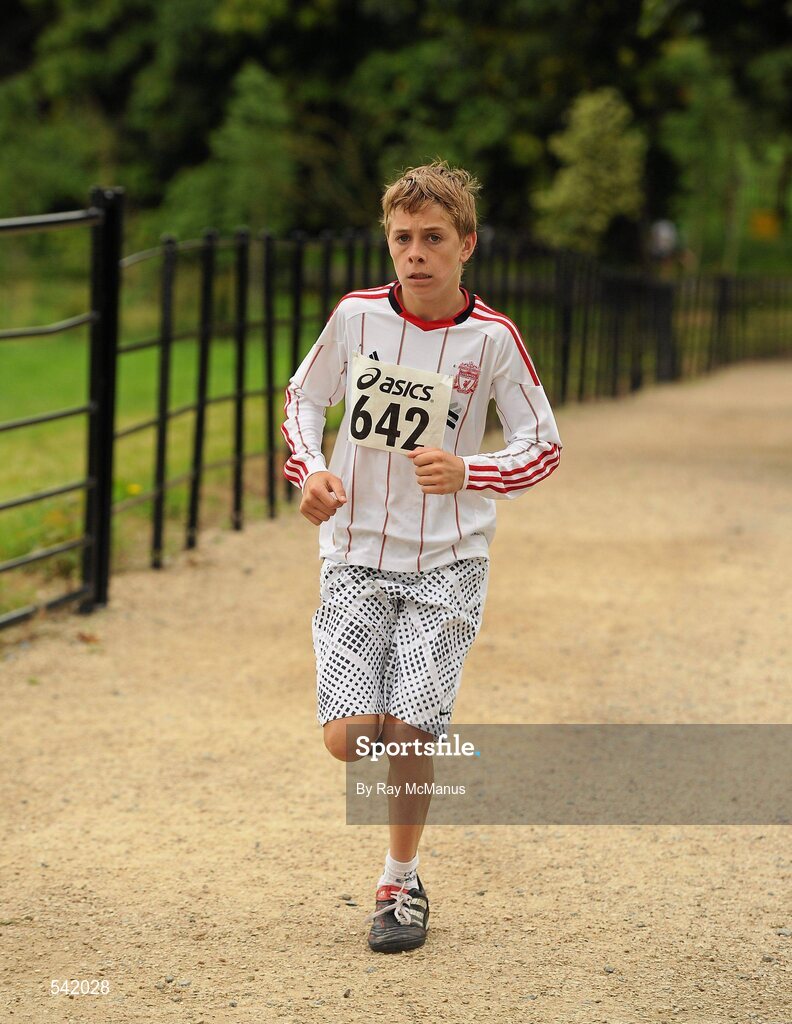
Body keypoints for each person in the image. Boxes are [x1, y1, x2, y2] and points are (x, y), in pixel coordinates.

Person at [281, 160, 562, 953]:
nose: (416, 253)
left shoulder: (495, 340)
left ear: (466, 245)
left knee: (410, 732)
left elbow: (545, 446)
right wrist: (313, 473)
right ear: (388, 243)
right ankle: (406, 723)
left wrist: (471, 471)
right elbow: (304, 399)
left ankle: (399, 882)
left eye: (434, 238)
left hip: (448, 561)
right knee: (349, 739)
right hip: (356, 555)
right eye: (403, 238)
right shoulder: (355, 318)